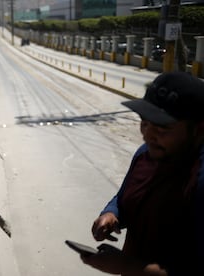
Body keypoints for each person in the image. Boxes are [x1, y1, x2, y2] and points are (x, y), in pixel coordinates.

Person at [79, 72, 204, 276]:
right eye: (144, 123)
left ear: (199, 129)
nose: (147, 135)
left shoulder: (199, 179)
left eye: (162, 129)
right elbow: (125, 196)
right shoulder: (145, 154)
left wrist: (126, 266)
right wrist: (112, 214)